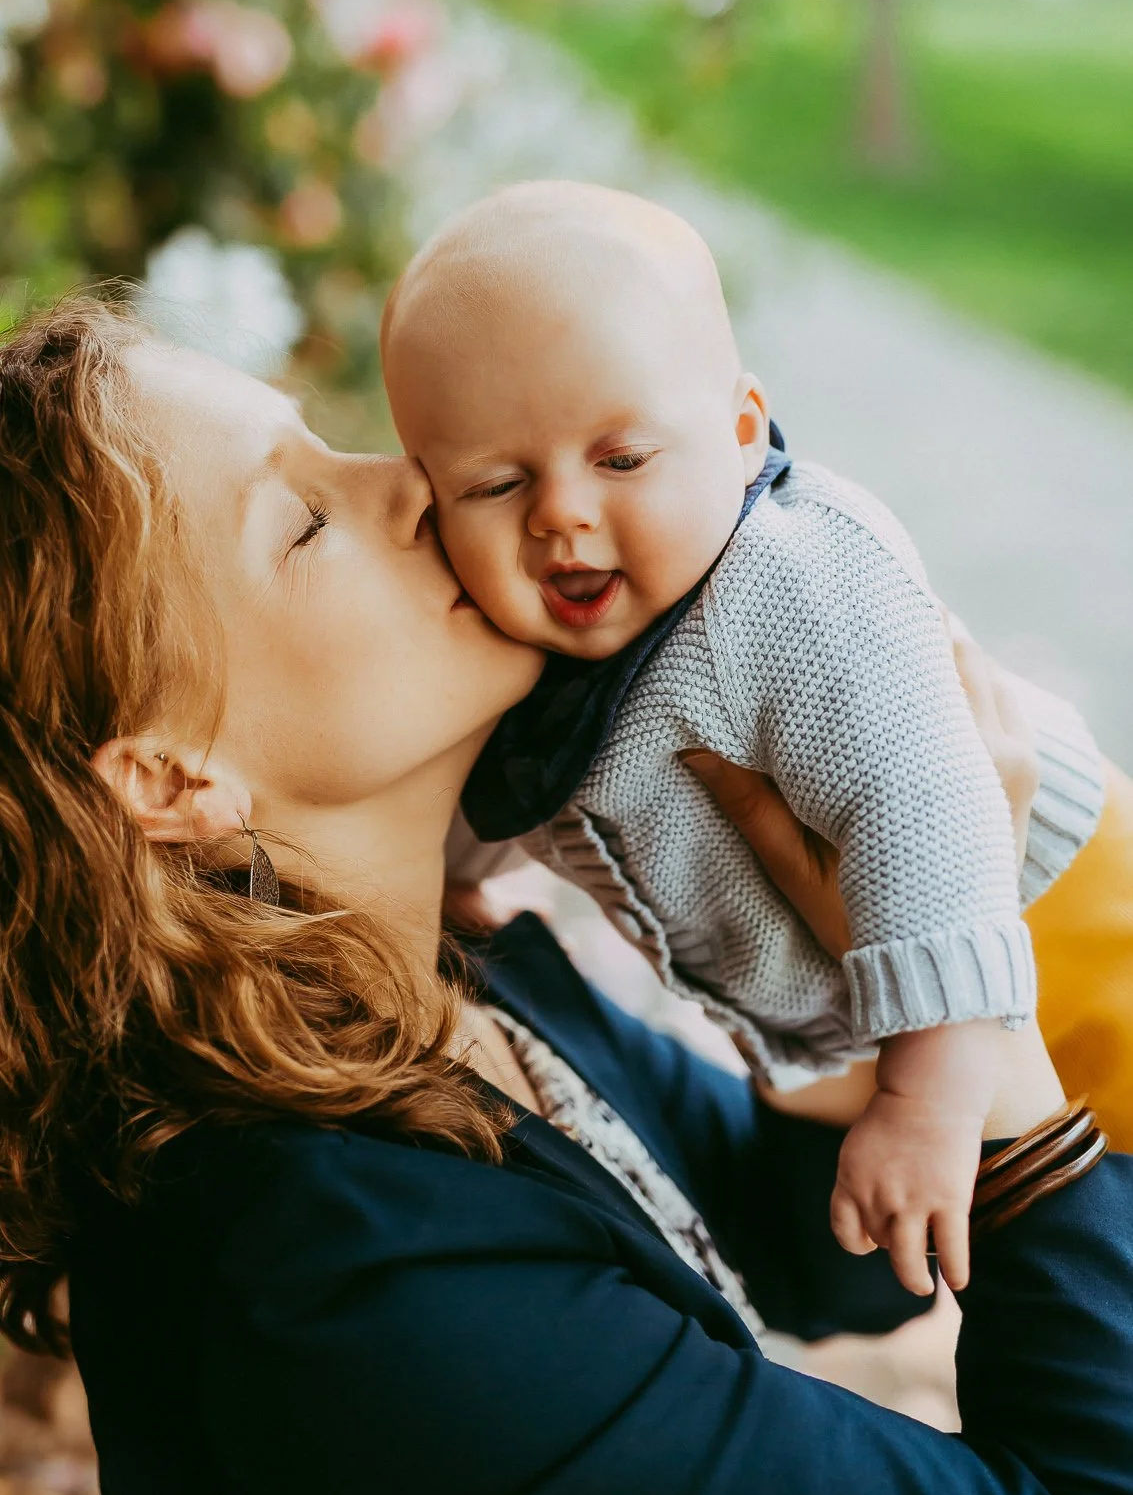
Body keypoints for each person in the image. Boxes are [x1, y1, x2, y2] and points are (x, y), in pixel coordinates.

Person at [0, 300, 1129, 1495]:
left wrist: (901, 921)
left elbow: (810, 1240)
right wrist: (998, 1053)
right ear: (171, 776)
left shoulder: (403, 987)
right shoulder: (352, 1293)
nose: (414, 483)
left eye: (333, 446)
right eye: (305, 520)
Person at [380, 179, 1104, 1295]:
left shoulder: (788, 583)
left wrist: (929, 1096)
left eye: (620, 458)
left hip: (1062, 930)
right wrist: (427, 884)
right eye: (497, 481)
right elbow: (501, 789)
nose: (560, 514)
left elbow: (929, 807)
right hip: (884, 1007)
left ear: (739, 427)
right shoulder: (528, 640)